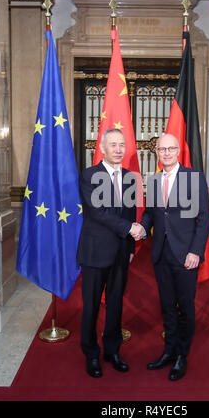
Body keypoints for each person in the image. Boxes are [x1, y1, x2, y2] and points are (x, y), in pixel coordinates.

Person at [132, 133, 209, 381]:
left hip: (187, 254)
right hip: (161, 254)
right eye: (161, 149)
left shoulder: (194, 178)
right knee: (166, 305)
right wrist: (142, 228)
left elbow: (203, 218)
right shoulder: (153, 181)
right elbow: (152, 215)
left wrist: (196, 251)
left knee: (185, 306)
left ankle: (181, 355)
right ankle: (168, 351)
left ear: (178, 151)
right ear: (156, 152)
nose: (166, 153)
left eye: (170, 149)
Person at [77, 128, 140, 378]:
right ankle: (91, 354)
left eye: (121, 145)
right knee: (91, 306)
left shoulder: (129, 177)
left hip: (121, 252)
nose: (117, 149)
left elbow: (130, 213)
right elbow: (97, 212)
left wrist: (132, 245)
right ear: (102, 148)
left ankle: (112, 351)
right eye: (112, 144)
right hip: (95, 252)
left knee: (115, 304)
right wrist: (130, 229)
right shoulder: (89, 175)